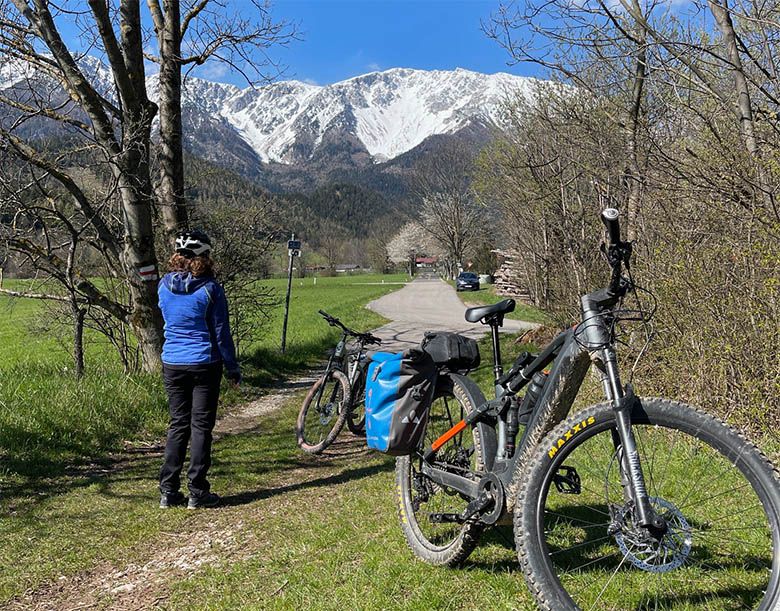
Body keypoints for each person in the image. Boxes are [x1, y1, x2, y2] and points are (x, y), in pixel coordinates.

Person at [157, 230, 241, 509]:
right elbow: (221, 334)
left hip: (172, 362)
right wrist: (232, 368)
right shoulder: (211, 290)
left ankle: (168, 491)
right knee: (201, 427)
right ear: (204, 257)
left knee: (178, 424)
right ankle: (197, 491)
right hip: (204, 362)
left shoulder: (163, 285)